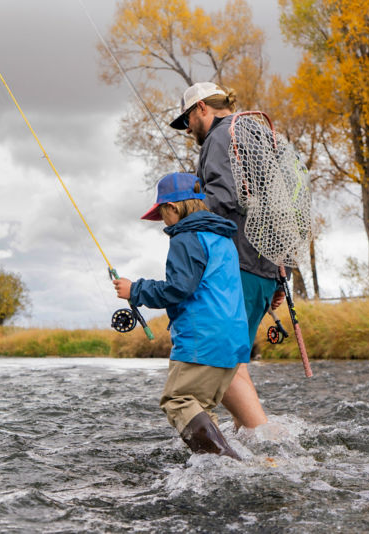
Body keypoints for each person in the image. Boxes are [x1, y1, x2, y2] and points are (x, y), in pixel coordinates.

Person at [168, 82, 285, 430]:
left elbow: (222, 199)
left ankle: (266, 444)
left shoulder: (221, 137)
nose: (188, 129)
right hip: (266, 267)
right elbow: (285, 208)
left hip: (237, 267)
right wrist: (282, 274)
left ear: (202, 108)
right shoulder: (264, 137)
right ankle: (249, 442)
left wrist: (187, 223)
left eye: (187, 118)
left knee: (225, 359)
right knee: (236, 359)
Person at [112, 172, 248, 460]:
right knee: (201, 406)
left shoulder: (186, 237)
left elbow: (178, 289)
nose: (162, 220)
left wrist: (135, 290)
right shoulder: (223, 237)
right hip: (234, 340)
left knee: (178, 401)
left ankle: (233, 465)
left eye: (162, 213)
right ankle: (218, 465)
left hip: (203, 339)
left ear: (173, 208)